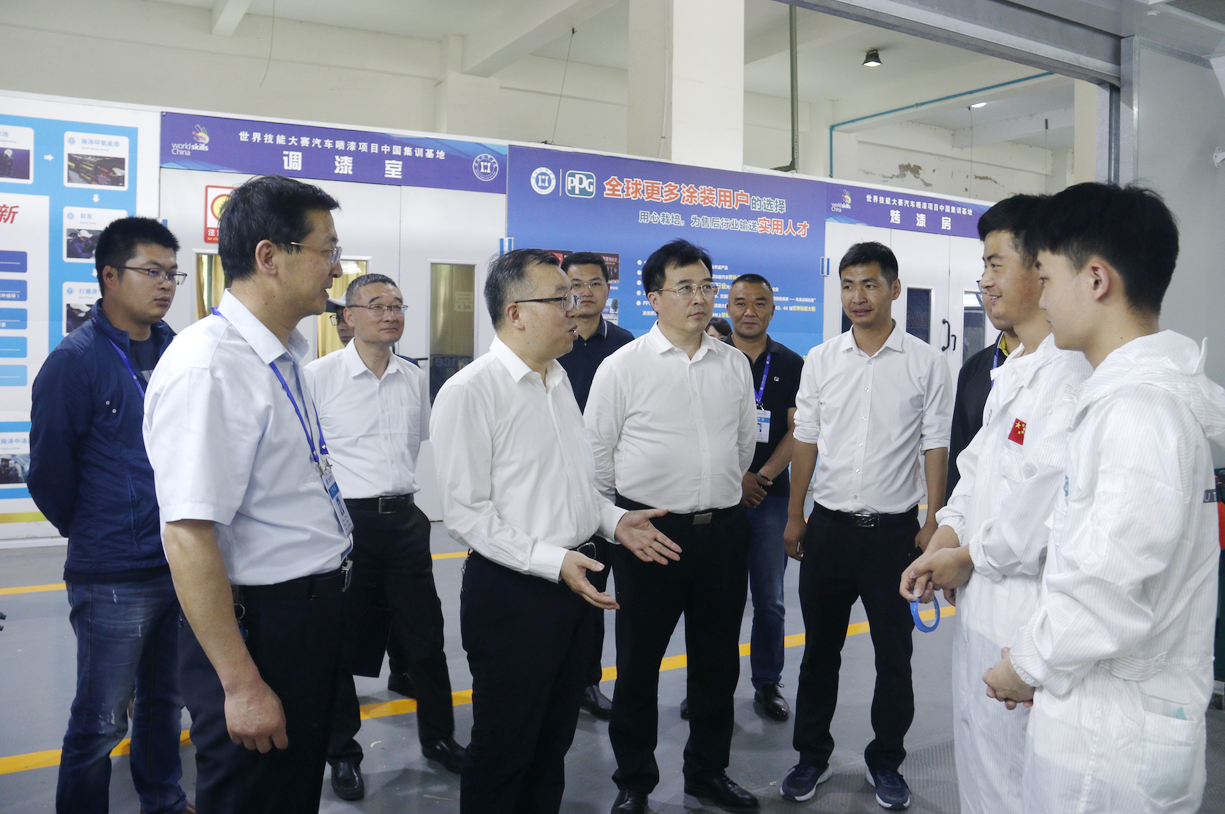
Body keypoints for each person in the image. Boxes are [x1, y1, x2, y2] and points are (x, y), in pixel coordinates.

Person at [980, 183, 1225, 814]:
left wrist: (1023, 666)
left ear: (1096, 279)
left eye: (1046, 277)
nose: (1042, 297)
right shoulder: (1135, 400)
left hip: (1106, 748)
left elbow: (1104, 594)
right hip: (1108, 728)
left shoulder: (1138, 414)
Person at [431, 248, 675, 814]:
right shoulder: (471, 392)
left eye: (576, 295)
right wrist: (553, 560)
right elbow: (467, 514)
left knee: (553, 742)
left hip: (575, 584)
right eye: (561, 298)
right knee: (505, 748)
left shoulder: (557, 379)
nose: (577, 306)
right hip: (514, 594)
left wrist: (614, 520)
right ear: (515, 313)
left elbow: (572, 486)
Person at [143, 175, 353, 813]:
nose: (337, 268)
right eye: (326, 250)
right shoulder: (210, 367)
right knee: (252, 796)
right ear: (269, 256)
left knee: (290, 793)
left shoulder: (280, 355)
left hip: (305, 620)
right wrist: (240, 685)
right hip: (258, 630)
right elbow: (188, 535)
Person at [898, 194, 1091, 814]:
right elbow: (974, 472)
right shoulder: (1012, 369)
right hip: (983, 605)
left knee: (1016, 779)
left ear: (1043, 268)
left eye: (995, 263)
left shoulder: (1070, 377)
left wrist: (964, 557)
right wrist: (945, 538)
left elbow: (1034, 517)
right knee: (981, 764)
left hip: (1025, 613)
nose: (984, 279)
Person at [586, 239, 759, 814]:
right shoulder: (623, 366)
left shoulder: (733, 365)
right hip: (650, 536)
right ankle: (635, 780)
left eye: (706, 287)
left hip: (723, 533)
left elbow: (742, 447)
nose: (699, 298)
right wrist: (617, 523)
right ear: (654, 298)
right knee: (639, 664)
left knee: (717, 663)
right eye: (685, 288)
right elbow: (596, 458)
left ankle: (707, 773)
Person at [780, 242, 952, 810]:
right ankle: (811, 757)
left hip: (894, 536)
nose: (858, 297)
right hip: (828, 529)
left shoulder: (926, 363)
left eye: (870, 284)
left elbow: (935, 443)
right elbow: (806, 439)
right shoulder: (822, 359)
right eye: (849, 285)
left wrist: (932, 520)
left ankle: (887, 762)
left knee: (893, 657)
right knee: (819, 653)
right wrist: (796, 514)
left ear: (894, 289)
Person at [29, 217, 191, 814]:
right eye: (152, 271)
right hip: (112, 575)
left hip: (180, 563)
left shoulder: (178, 352)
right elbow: (48, 471)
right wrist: (95, 527)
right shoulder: (75, 362)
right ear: (109, 277)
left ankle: (163, 800)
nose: (165, 284)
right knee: (100, 721)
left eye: (172, 273)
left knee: (164, 705)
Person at [305, 274, 466, 802]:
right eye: (377, 305)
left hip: (405, 522)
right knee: (339, 643)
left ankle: (439, 737)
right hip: (346, 526)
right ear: (349, 317)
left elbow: (416, 442)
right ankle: (342, 753)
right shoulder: (317, 377)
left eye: (397, 305)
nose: (391, 314)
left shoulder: (412, 376)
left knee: (426, 637)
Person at [556, 251, 635, 721]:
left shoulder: (626, 347)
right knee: (573, 591)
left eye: (594, 283)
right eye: (575, 284)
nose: (585, 292)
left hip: (614, 493)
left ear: (608, 290)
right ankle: (570, 680)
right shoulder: (552, 341)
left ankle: (599, 683)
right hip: (561, 488)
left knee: (614, 593)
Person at [723, 273, 804, 722]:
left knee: (769, 599)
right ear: (728, 308)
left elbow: (798, 429)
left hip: (771, 498)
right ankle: (710, 685)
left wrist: (760, 476)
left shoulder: (791, 363)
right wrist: (736, 478)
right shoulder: (711, 357)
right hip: (718, 498)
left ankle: (768, 682)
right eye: (740, 302)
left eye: (759, 303)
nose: (749, 311)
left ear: (773, 310)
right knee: (717, 599)